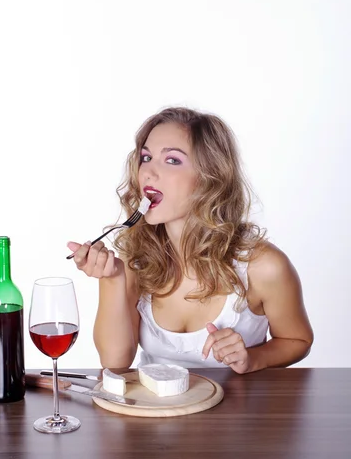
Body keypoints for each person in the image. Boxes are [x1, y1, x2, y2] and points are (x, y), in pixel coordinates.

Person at [67, 107, 313, 373]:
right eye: (146, 157)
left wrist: (252, 359)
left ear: (210, 177)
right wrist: (112, 278)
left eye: (172, 160)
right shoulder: (135, 260)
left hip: (239, 413)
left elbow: (297, 340)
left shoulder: (263, 266)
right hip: (156, 412)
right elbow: (115, 362)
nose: (148, 172)